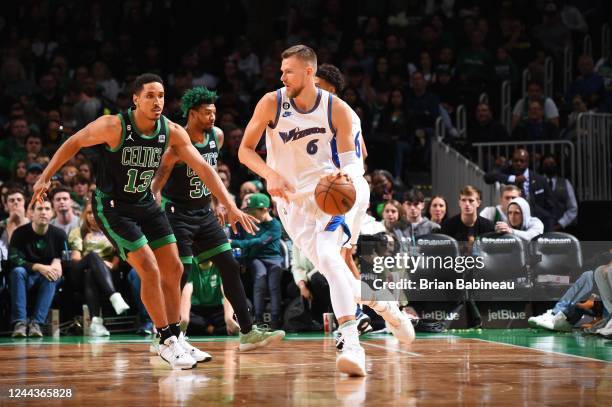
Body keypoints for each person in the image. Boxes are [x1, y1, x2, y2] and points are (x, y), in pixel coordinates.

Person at [31, 73, 257, 370]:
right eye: (150, 95)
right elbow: (74, 142)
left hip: (146, 204)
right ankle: (164, 339)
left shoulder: (171, 130)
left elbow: (203, 167)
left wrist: (230, 205)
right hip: (113, 208)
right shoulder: (114, 126)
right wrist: (45, 176)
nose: (157, 101)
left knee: (175, 267)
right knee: (149, 267)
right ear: (136, 99)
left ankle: (176, 335)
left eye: (161, 95)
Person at [239, 45, 414, 377]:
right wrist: (270, 174)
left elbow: (353, 162)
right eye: (281, 71)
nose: (281, 76)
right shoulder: (271, 103)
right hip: (292, 202)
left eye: (287, 70)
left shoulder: (339, 109)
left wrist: (343, 176)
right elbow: (244, 151)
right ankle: (388, 307)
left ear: (308, 72)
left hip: (331, 194)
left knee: (331, 257)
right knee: (336, 272)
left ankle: (351, 342)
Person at [151, 86, 284, 350]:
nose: (213, 117)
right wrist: (152, 202)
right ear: (192, 114)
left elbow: (208, 172)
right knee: (182, 272)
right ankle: (166, 336)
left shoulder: (217, 136)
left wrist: (218, 203)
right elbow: (159, 180)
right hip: (178, 214)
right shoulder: (177, 143)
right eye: (206, 113)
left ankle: (247, 332)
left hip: (205, 212)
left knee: (229, 265)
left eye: (214, 112)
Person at [314, 63, 372, 331]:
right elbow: (364, 154)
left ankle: (354, 316)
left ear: (331, 88)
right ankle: (364, 311)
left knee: (332, 256)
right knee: (346, 255)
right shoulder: (351, 114)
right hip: (358, 187)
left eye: (318, 85)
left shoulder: (330, 111)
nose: (312, 90)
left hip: (343, 189)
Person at [68, 201, 131, 336]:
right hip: (79, 270)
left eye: (96, 212)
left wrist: (101, 265)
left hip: (106, 274)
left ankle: (96, 324)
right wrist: (96, 261)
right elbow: (75, 259)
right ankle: (114, 296)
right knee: (92, 258)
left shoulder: (113, 234)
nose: (92, 216)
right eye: (89, 212)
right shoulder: (78, 232)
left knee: (91, 273)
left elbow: (115, 263)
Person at [9, 200, 67, 337]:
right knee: (17, 271)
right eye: (39, 209)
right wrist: (39, 267)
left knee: (52, 275)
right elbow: (14, 259)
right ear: (31, 213)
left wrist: (58, 261)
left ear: (52, 213)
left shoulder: (60, 234)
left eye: (47, 208)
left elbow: (67, 259)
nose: (43, 212)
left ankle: (36, 324)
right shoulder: (19, 233)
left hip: (47, 279)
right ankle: (20, 323)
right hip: (26, 276)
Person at [229, 193, 284, 328]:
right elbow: (250, 244)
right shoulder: (251, 223)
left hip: (274, 258)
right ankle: (258, 320)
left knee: (273, 285)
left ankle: (275, 320)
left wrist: (233, 242)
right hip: (257, 258)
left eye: (254, 212)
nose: (252, 215)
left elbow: (259, 241)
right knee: (260, 281)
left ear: (264, 209)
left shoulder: (275, 225)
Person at [484, 148, 556, 231]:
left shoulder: (540, 179)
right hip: (510, 221)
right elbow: (488, 177)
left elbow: (551, 207)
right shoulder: (507, 173)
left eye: (522, 161)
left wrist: (550, 228)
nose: (519, 163)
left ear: (528, 162)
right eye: (515, 161)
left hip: (536, 220)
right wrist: (513, 178)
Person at [441, 185, 495, 253]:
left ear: (478, 203)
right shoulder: (448, 225)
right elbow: (444, 253)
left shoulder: (488, 226)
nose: (467, 204)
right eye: (463, 200)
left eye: (471, 200)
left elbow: (492, 253)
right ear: (459, 203)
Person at [540, 155, 578, 231]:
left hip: (563, 229)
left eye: (551, 164)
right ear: (542, 166)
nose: (549, 166)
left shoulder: (565, 183)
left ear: (557, 165)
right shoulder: (537, 183)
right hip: (540, 229)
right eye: (546, 164)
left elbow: (573, 208)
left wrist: (561, 224)